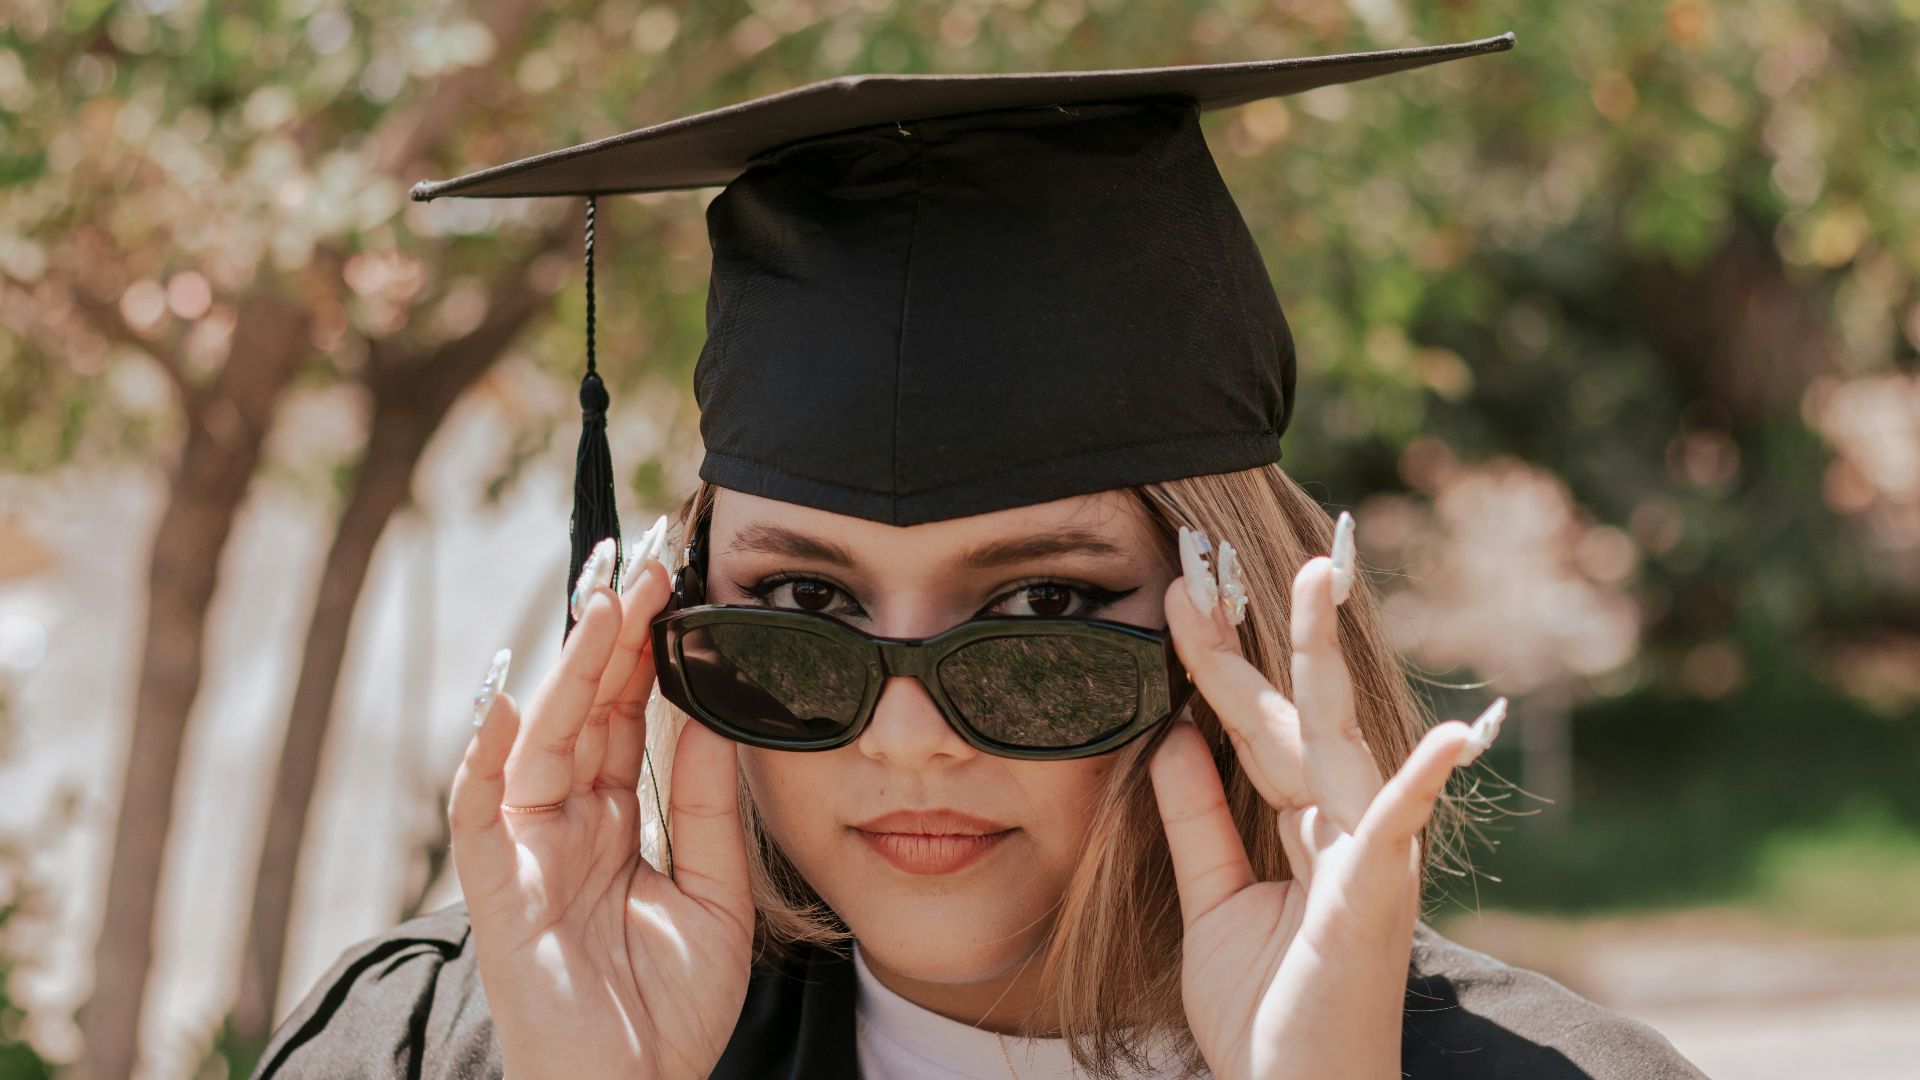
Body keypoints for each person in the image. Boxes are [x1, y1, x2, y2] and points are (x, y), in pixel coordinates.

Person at [252, 31, 1708, 1080]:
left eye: (1046, 608)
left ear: (1234, 631)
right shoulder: (446, 1049)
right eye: (801, 607)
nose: (906, 739)